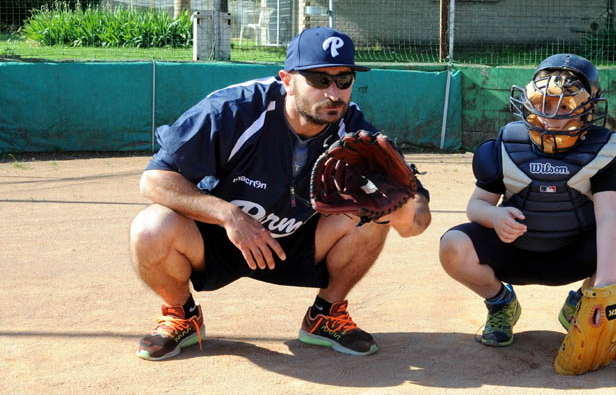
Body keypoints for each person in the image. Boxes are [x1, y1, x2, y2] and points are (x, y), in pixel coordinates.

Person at [130, 27, 431, 360]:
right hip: (219, 239)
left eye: (343, 80)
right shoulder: (233, 110)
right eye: (319, 80)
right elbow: (154, 180)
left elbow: (414, 216)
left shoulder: (353, 131)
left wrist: (403, 211)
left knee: (373, 215)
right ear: (287, 79)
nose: (333, 93)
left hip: (298, 242)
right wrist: (228, 215)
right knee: (151, 227)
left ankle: (326, 316)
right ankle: (181, 316)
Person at [438, 53, 616, 347]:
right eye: (543, 102)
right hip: (515, 253)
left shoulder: (598, 152)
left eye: (564, 105)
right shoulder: (508, 144)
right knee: (452, 246)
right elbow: (475, 206)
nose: (549, 115)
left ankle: (582, 305)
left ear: (586, 110)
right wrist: (495, 217)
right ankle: (500, 303)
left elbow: (608, 219)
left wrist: (603, 288)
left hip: (574, 253)